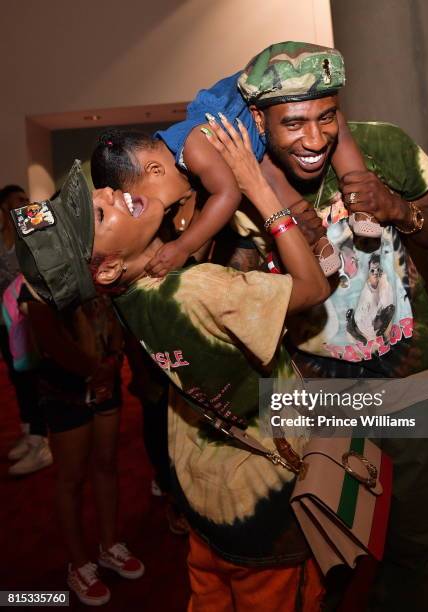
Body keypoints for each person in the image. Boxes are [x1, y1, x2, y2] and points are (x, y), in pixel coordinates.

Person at [14, 114, 330, 610]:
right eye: (98, 214)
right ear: (110, 266)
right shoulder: (198, 289)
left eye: (96, 195)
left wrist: (175, 198)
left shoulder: (129, 297)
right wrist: (258, 188)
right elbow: (314, 288)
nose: (109, 194)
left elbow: (176, 250)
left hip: (204, 498)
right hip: (265, 511)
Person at [197, 42, 428, 612]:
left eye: (326, 117)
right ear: (259, 121)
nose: (313, 140)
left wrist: (399, 209)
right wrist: (279, 247)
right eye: (292, 123)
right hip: (317, 395)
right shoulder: (240, 187)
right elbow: (231, 301)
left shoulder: (383, 143)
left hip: (412, 377)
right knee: (325, 549)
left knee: (420, 544)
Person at [91, 43, 369, 280]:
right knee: (282, 195)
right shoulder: (187, 164)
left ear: (154, 170)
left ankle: (360, 199)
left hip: (275, 91)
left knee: (336, 128)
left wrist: (184, 246)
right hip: (254, 154)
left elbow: (227, 194)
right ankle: (322, 246)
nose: (160, 210)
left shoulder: (193, 146)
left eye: (145, 200)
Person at [20, 283, 144, 606]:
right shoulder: (38, 270)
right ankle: (78, 564)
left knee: (106, 464)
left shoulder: (98, 252)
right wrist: (94, 369)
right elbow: (48, 336)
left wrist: (114, 358)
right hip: (64, 384)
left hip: (107, 372)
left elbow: (116, 308)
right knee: (71, 478)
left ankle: (109, 545)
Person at [0, 184, 52, 475]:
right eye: (17, 200)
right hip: (5, 317)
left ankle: (41, 441)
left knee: (34, 376)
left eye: (25, 198)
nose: (24, 203)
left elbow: (52, 236)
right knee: (17, 375)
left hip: (30, 312)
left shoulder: (31, 222)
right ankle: (30, 432)